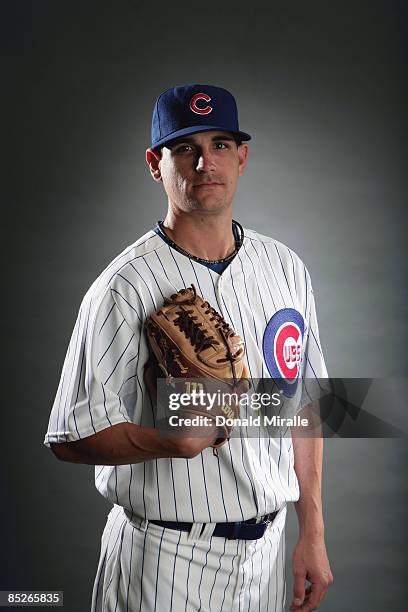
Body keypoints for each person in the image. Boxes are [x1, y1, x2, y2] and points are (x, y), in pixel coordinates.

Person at [44, 83, 333, 612]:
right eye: (186, 149)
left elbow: (306, 405)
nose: (206, 163)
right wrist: (165, 441)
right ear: (156, 164)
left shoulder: (286, 269)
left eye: (220, 145)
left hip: (267, 558)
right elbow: (68, 436)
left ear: (241, 157)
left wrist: (311, 527)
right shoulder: (124, 284)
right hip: (166, 557)